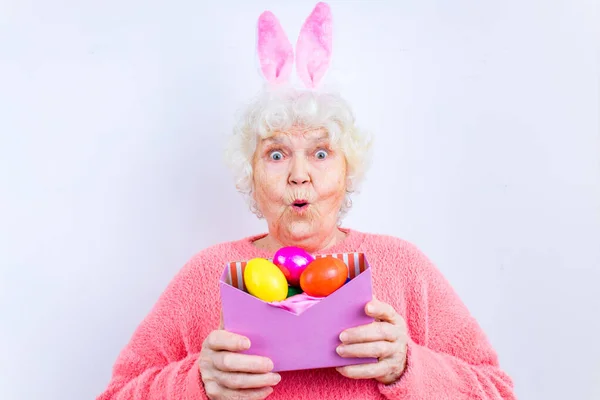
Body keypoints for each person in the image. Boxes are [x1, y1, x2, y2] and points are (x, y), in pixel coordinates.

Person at [97, 3, 516, 399]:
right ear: (252, 174)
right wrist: (197, 381)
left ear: (347, 170)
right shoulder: (206, 275)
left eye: (320, 152)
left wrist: (409, 366)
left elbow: (498, 391)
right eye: (276, 154)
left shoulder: (404, 267)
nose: (300, 174)